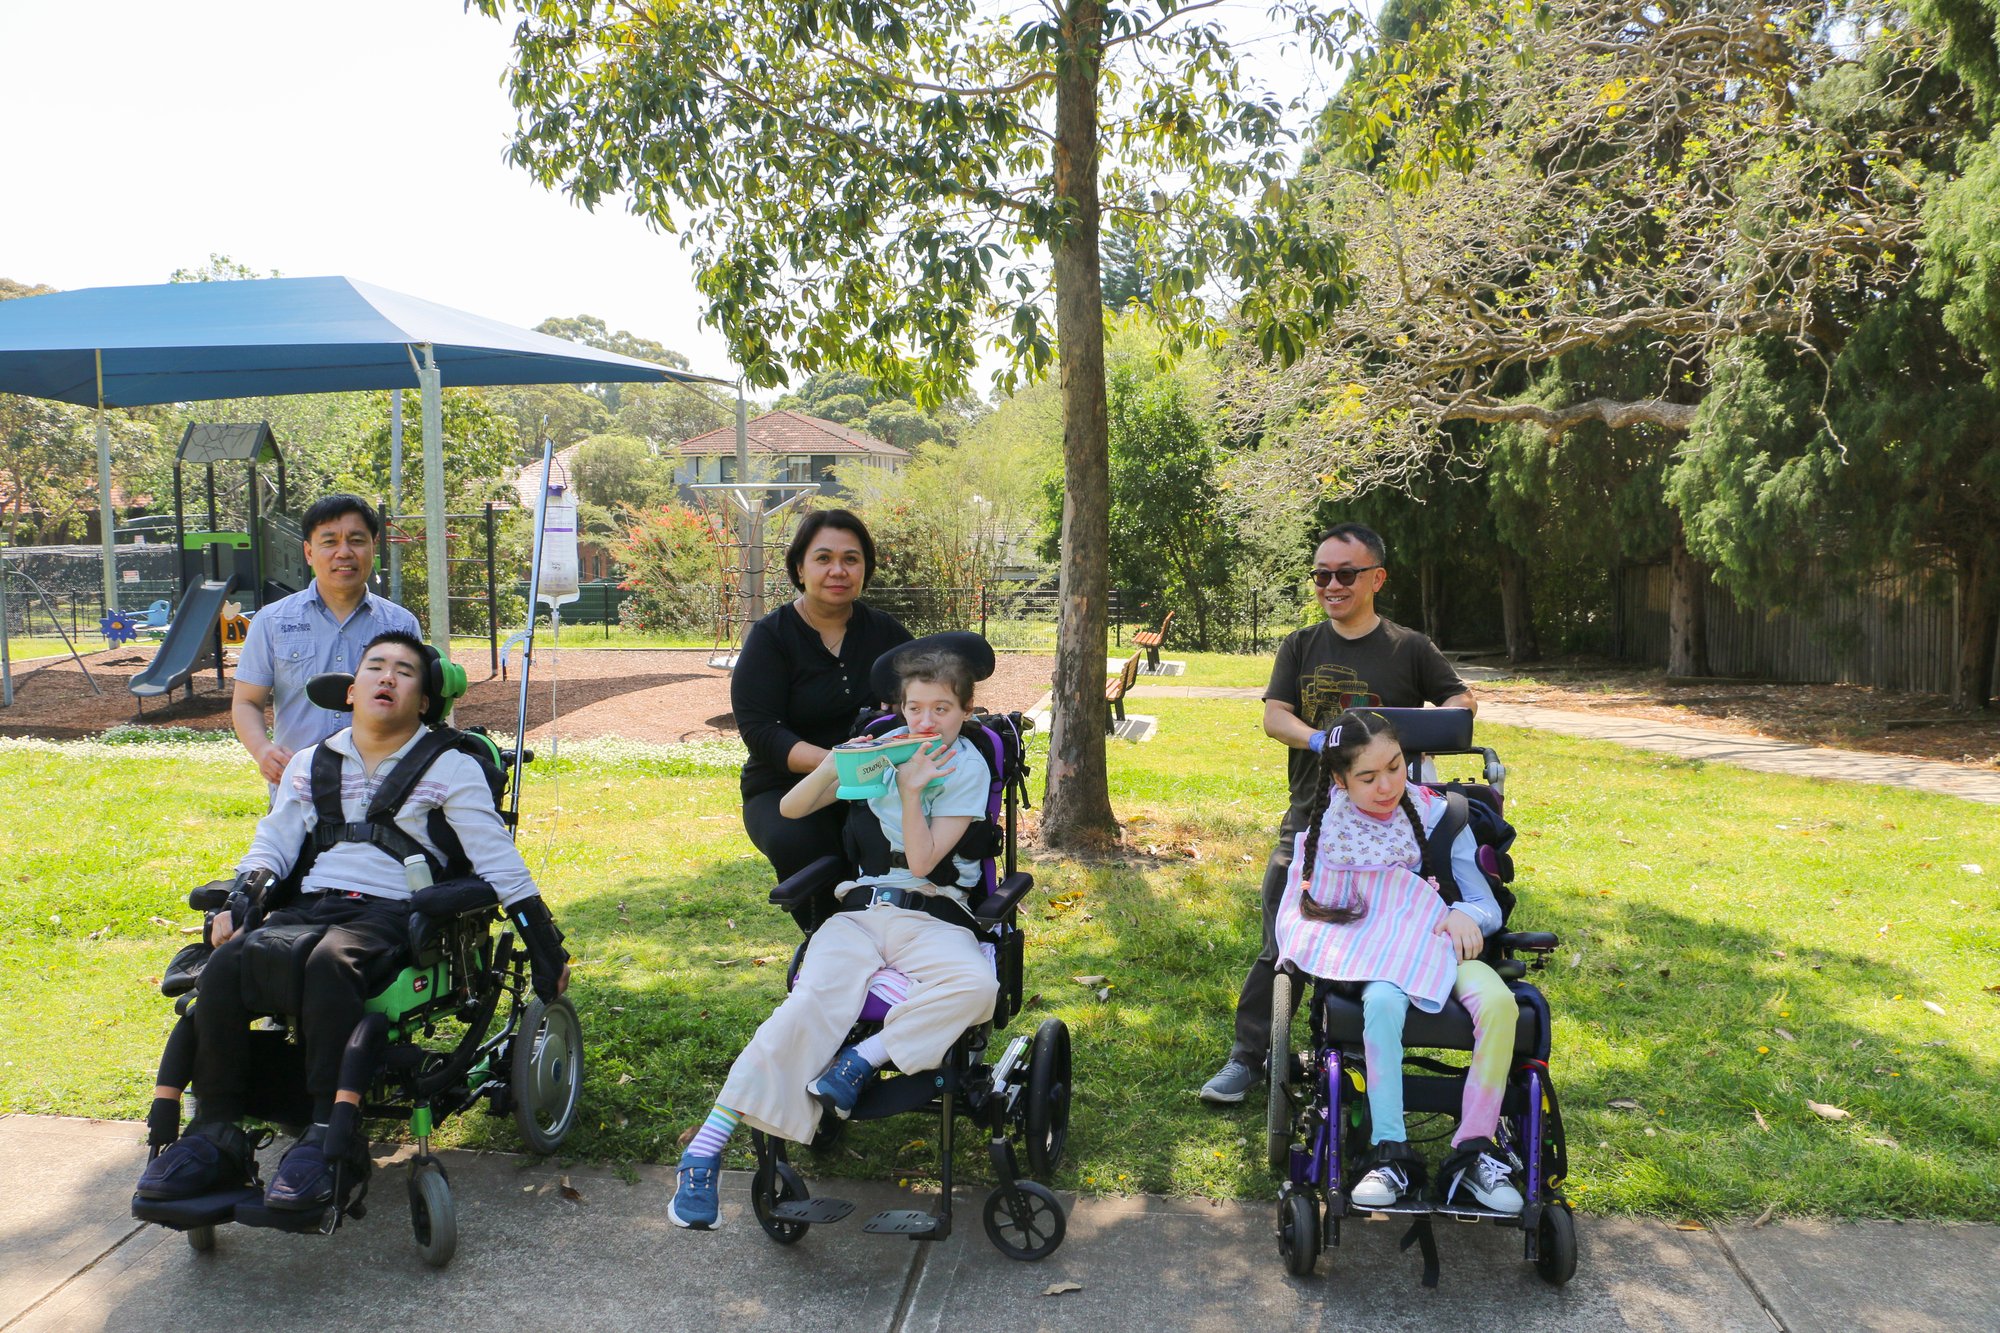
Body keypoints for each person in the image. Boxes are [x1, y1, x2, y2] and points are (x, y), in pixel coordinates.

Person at [136, 631, 571, 1212]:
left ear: (424, 701)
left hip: (396, 908)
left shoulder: (451, 766)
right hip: (314, 902)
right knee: (227, 968)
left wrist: (546, 950)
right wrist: (242, 899)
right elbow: (275, 845)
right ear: (350, 692)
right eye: (375, 667)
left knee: (329, 964)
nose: (387, 677)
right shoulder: (313, 764)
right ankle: (216, 1135)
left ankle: (326, 1136)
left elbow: (499, 864)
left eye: (404, 672)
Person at [671, 649, 999, 1230]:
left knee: (978, 987)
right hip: (860, 910)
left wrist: (908, 788)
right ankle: (703, 1152)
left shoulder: (965, 765)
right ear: (898, 708)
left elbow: (923, 863)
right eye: (913, 708)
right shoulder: (886, 749)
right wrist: (839, 765)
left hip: (934, 914)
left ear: (965, 712)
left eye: (941, 709)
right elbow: (794, 808)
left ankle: (859, 1061)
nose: (925, 722)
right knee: (807, 1005)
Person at [1202, 523, 1476, 1104]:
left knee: (1383, 934)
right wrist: (1318, 740)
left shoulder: (1409, 647)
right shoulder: (1300, 645)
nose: (1331, 584)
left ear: (1376, 577)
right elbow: (1276, 715)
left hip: (1391, 828)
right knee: (1282, 936)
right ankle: (1249, 1058)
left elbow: (1461, 701)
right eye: (1322, 574)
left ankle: (1353, 1042)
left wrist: (1417, 734)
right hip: (1313, 818)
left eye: (1345, 574)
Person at [1273, 709, 1520, 1212]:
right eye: (1367, 777)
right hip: (1382, 961)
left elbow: (1486, 905)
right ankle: (1390, 1154)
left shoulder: (1440, 814)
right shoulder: (1329, 832)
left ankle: (1473, 1152)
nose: (1386, 785)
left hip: (1447, 948)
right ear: (1341, 780)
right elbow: (1302, 911)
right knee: (1383, 1003)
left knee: (1500, 1004)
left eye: (1395, 766)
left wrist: (1463, 916)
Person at [732, 508, 912, 881]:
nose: (838, 570)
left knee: (895, 851)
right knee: (800, 845)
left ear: (865, 568)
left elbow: (931, 693)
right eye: (823, 558)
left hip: (878, 785)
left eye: (851, 559)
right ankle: (827, 936)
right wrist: (838, 763)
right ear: (800, 568)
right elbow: (761, 731)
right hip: (786, 787)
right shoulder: (771, 638)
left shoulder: (886, 634)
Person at [233, 494, 420, 785]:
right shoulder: (272, 621)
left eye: (356, 540)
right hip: (297, 789)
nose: (343, 552)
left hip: (381, 792)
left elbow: (415, 708)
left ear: (373, 547)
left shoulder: (401, 624)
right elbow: (246, 702)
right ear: (308, 552)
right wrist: (262, 750)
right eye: (330, 541)